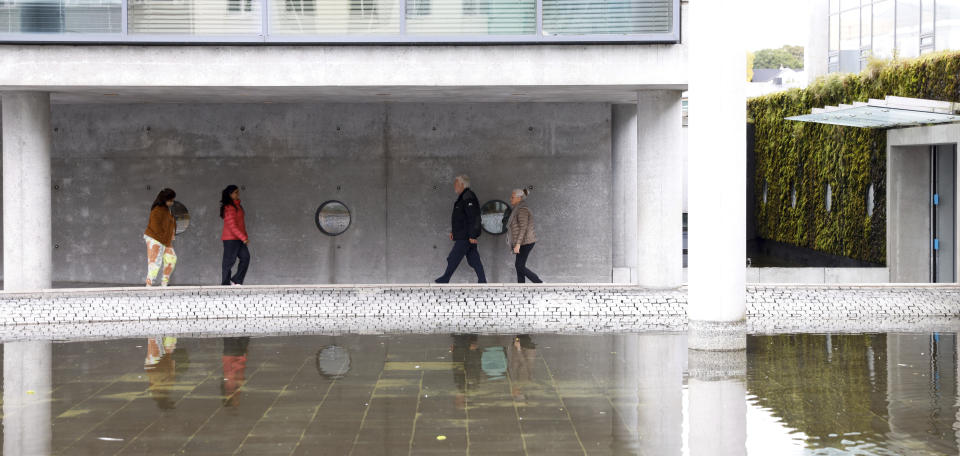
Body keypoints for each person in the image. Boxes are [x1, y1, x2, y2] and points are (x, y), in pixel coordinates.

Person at [435, 175, 487, 283]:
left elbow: (474, 217)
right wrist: (454, 232)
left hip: (466, 236)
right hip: (464, 235)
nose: (454, 186)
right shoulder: (463, 197)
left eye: (456, 184)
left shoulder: (468, 196)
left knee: (453, 258)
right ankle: (482, 281)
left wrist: (473, 235)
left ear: (462, 185)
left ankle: (445, 278)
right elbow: (460, 218)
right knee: (474, 259)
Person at [143, 188, 178, 287]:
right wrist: (164, 239)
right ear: (165, 199)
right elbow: (155, 227)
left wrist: (170, 236)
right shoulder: (157, 210)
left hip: (164, 240)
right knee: (155, 261)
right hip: (155, 238)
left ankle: (164, 282)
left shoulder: (167, 210)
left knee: (171, 258)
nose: (172, 202)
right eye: (170, 200)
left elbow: (170, 224)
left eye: (172, 200)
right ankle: (149, 284)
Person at [507, 188, 542, 283]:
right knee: (519, 265)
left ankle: (538, 282)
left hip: (526, 242)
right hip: (522, 242)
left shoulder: (522, 210)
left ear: (519, 198)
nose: (510, 199)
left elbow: (523, 228)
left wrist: (518, 244)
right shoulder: (517, 208)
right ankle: (521, 286)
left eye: (512, 197)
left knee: (519, 266)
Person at [220, 185, 250, 286]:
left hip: (239, 238)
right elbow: (232, 226)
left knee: (245, 258)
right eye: (236, 192)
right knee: (228, 263)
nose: (238, 194)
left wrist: (244, 236)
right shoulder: (229, 208)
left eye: (238, 192)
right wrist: (243, 237)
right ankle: (225, 284)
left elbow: (241, 224)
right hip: (230, 239)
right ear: (230, 194)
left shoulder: (238, 206)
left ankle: (236, 280)